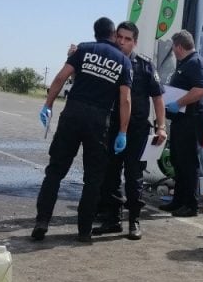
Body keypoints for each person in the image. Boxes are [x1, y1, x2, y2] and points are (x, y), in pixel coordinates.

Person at [32, 17, 131, 244]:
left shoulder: (84, 50)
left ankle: (42, 222)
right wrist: (123, 131)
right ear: (114, 34)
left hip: (73, 115)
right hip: (99, 120)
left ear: (95, 34)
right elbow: (125, 100)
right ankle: (84, 231)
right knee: (93, 179)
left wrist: (48, 104)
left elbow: (60, 77)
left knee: (55, 172)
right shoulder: (123, 61)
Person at [94, 21, 167, 241]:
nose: (123, 42)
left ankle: (134, 221)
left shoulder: (144, 66)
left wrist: (161, 126)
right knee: (110, 175)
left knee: (134, 176)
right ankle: (112, 220)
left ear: (135, 42)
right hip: (111, 127)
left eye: (128, 39)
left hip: (136, 130)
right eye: (120, 37)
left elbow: (158, 98)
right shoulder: (108, 61)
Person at [159, 30, 203, 218]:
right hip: (183, 119)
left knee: (188, 163)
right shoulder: (186, 63)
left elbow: (200, 90)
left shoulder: (195, 62)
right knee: (178, 161)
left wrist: (178, 103)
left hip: (193, 119)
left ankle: (191, 205)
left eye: (173, 47)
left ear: (179, 46)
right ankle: (178, 200)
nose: (173, 51)